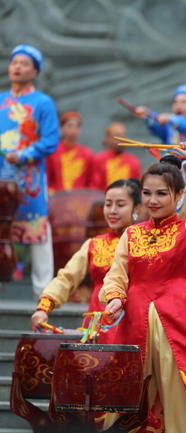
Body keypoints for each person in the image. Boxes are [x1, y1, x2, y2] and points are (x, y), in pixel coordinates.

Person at [101, 142, 186, 433]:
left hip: (176, 320)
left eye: (162, 193)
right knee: (131, 388)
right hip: (134, 319)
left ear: (180, 195)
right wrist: (114, 299)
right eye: (147, 193)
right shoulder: (132, 233)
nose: (153, 201)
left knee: (178, 387)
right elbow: (117, 275)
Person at [31, 178, 141, 343]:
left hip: (135, 319)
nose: (112, 210)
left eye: (120, 205)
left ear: (136, 208)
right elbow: (67, 278)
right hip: (98, 322)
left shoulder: (144, 242)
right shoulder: (94, 245)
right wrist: (44, 308)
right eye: (108, 204)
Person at [0, 45, 59, 297]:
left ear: (34, 71)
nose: (17, 67)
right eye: (15, 63)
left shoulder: (42, 103)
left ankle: (44, 291)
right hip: (2, 178)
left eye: (24, 64)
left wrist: (22, 155)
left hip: (30, 179)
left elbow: (50, 141)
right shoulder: (1, 101)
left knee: (38, 229)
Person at [134, 85, 186, 154]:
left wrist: (170, 118)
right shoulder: (169, 128)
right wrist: (147, 115)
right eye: (175, 102)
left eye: (184, 102)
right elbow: (156, 124)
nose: (178, 105)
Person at [46, 111, 94, 193]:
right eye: (69, 126)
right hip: (57, 200)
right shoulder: (52, 151)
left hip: (80, 200)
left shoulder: (87, 154)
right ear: (61, 128)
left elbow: (91, 182)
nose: (73, 130)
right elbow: (47, 179)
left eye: (77, 127)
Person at [92, 123, 141, 190]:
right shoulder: (99, 159)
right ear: (108, 138)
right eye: (116, 136)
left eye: (122, 136)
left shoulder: (134, 161)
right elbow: (94, 185)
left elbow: (137, 187)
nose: (120, 139)